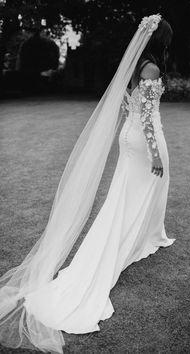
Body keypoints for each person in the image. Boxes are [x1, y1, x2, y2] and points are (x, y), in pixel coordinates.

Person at [0, 14, 176, 354]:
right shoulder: (152, 68)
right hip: (144, 141)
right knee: (145, 188)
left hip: (130, 139)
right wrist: (155, 155)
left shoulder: (138, 64)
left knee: (127, 195)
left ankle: (148, 235)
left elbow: (130, 104)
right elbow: (147, 119)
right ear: (161, 39)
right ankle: (140, 238)